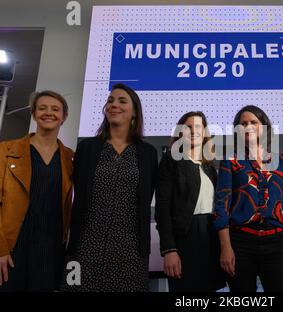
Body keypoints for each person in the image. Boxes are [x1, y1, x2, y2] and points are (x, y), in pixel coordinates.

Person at [61, 84, 158, 292]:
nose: (114, 105)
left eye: (122, 101)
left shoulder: (147, 153)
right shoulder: (87, 148)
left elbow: (145, 196)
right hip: (84, 246)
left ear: (134, 113)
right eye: (111, 100)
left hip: (131, 249)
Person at [214, 105, 283, 292]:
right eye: (243, 123)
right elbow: (221, 206)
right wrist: (226, 247)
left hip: (276, 243)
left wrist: (280, 223)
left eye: (254, 122)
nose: (248, 126)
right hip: (240, 243)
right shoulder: (231, 160)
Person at [0, 91, 73, 291]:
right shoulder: (6, 151)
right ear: (34, 114)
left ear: (64, 117)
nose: (48, 113)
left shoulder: (70, 158)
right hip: (13, 248)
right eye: (42, 108)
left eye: (55, 109)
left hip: (51, 249)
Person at [155, 111, 225, 292]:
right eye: (188, 127)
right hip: (185, 239)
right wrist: (169, 250)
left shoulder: (209, 166)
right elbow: (162, 208)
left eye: (198, 127)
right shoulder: (171, 160)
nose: (193, 131)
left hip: (211, 237)